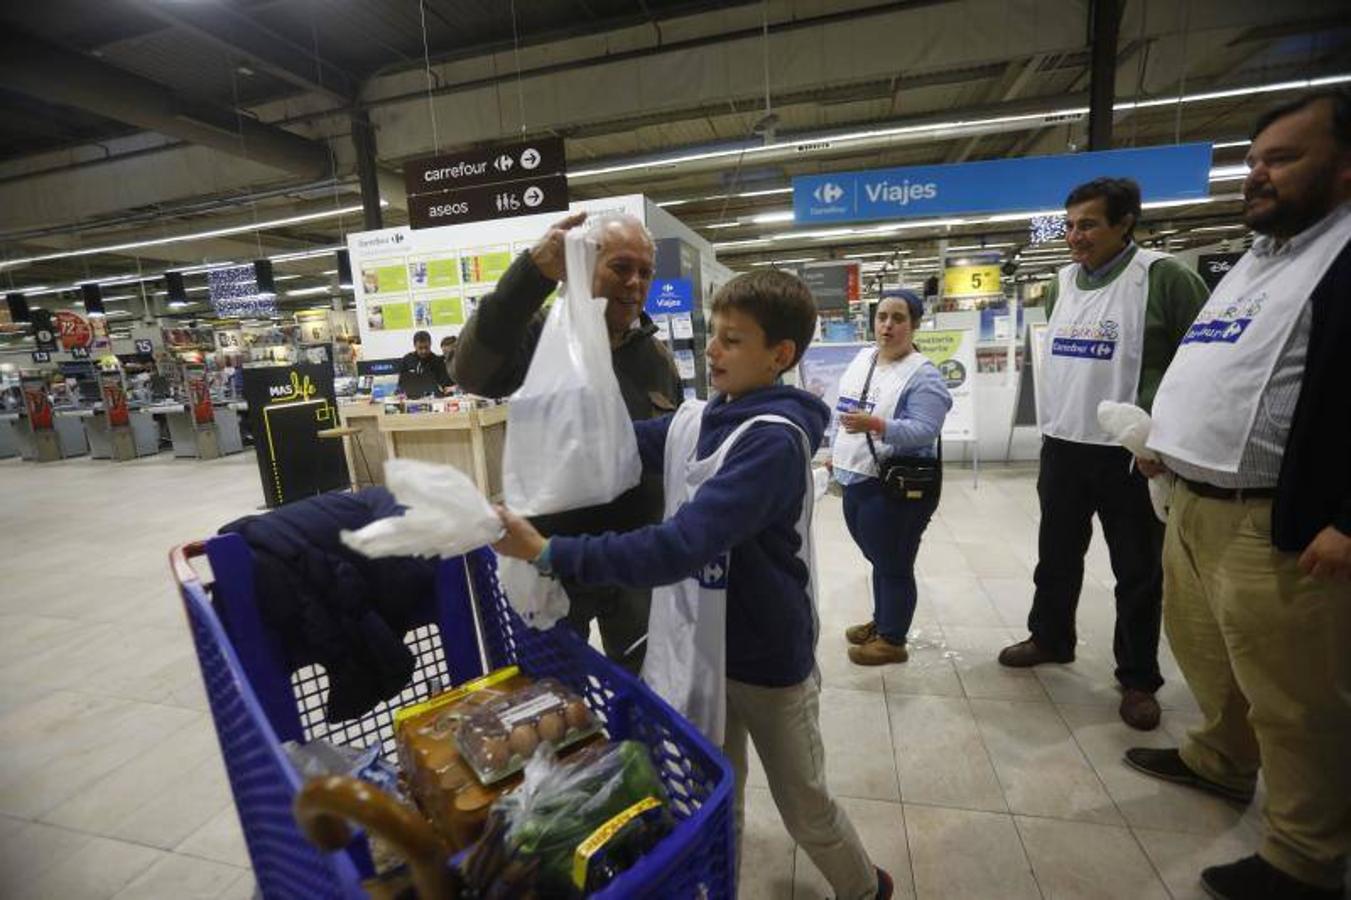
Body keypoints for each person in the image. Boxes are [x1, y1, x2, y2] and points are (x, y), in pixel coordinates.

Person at [493, 269, 893, 900]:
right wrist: (544, 436)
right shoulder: (699, 419)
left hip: (767, 663)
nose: (712, 350)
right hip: (705, 656)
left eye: (733, 341)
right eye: (715, 335)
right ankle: (718, 885)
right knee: (711, 795)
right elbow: (620, 444)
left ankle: (866, 886)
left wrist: (550, 553)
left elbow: (677, 547)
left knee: (804, 805)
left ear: (779, 356)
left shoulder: (773, 444)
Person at [1124, 90, 1351, 900]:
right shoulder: (1258, 257)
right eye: (1252, 159)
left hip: (1277, 523)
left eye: (1281, 158)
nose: (1256, 174)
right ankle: (1219, 760)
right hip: (1190, 501)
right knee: (1207, 656)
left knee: (1292, 697)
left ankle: (1305, 854)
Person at [997, 176, 1210, 731]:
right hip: (1064, 447)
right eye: (1069, 225)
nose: (1074, 236)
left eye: (1088, 224)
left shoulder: (1164, 278)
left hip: (1132, 455)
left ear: (1125, 223)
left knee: (1137, 571)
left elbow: (1203, 367)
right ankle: (1050, 637)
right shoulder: (1060, 283)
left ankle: (1138, 678)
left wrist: (1168, 443)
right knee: (1056, 556)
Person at [453, 212, 683, 673]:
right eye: (621, 267)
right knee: (554, 693)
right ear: (582, 263)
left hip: (631, 562)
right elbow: (471, 372)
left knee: (645, 686)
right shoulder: (541, 334)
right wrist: (530, 276)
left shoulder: (654, 354)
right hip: (550, 561)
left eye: (645, 272)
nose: (635, 282)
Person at [832, 290, 951, 665]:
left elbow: (924, 430)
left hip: (895, 487)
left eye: (898, 318)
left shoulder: (924, 375)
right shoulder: (865, 358)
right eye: (882, 316)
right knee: (879, 558)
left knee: (895, 562)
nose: (888, 325)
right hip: (857, 479)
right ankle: (883, 621)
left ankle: (893, 639)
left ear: (914, 325)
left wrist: (877, 425)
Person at [396, 330, 452, 398]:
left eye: (426, 347)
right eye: (420, 348)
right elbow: (401, 384)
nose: (424, 351)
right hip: (411, 399)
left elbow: (445, 386)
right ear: (414, 346)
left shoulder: (438, 361)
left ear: (430, 344)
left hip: (434, 399)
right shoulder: (407, 360)